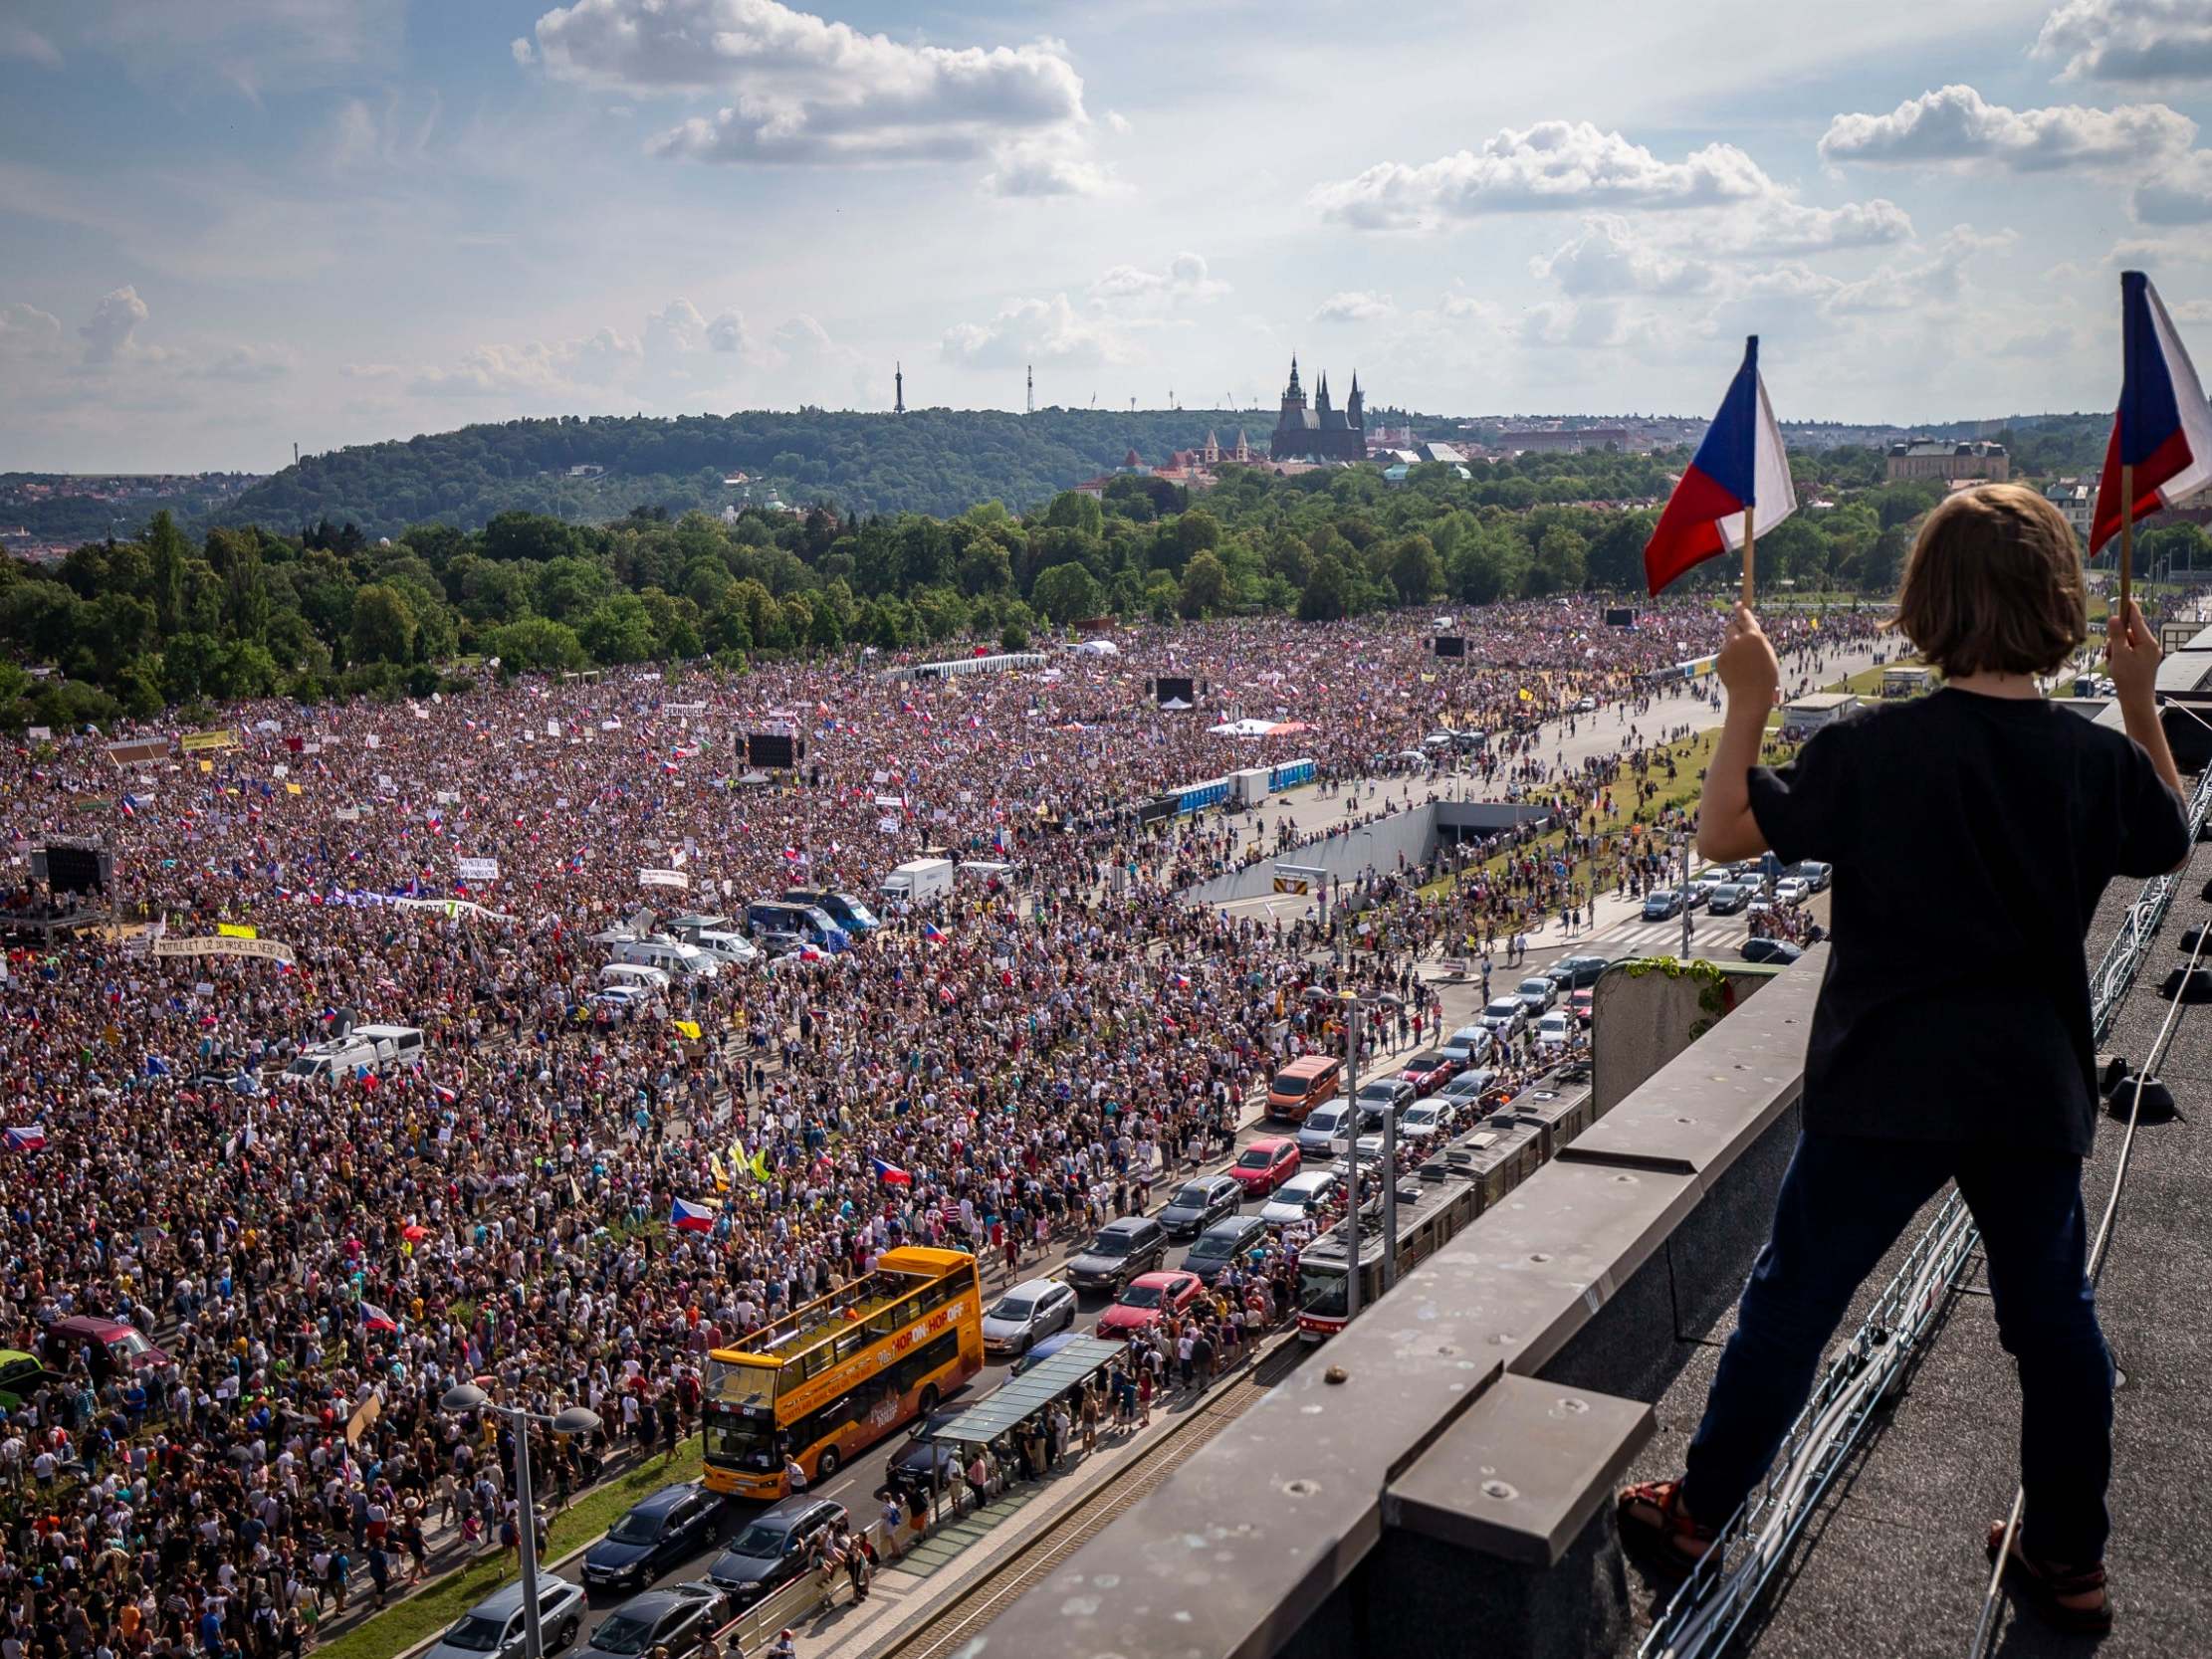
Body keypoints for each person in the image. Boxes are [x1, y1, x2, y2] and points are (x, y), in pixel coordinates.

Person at [1616, 487, 2189, 1638]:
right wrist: (2137, 703)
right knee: (2052, 1321)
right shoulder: (2085, 763)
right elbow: (2170, 834)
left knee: (1794, 1300)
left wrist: (1747, 702)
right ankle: (2069, 1554)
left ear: (1923, 605)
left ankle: (1697, 1510)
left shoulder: (1875, 748)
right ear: (2057, 606)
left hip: (1882, 1078)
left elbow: (1720, 832)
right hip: (2029, 1081)